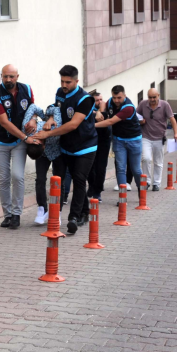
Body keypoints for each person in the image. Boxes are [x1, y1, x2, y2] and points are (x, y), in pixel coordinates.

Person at [32, 65, 97, 235]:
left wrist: (48, 134)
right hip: (66, 146)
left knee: (79, 179)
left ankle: (73, 218)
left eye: (68, 82)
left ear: (76, 81)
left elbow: (73, 124)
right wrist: (51, 118)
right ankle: (84, 211)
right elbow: (55, 109)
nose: (64, 84)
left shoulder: (85, 99)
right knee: (73, 178)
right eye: (62, 81)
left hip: (85, 146)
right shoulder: (60, 92)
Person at [0, 65, 36, 229]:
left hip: (18, 143)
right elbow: (4, 122)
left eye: (11, 77)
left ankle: (16, 214)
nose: (8, 80)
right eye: (5, 76)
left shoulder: (27, 90)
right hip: (0, 142)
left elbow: (32, 109)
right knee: (4, 179)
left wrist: (34, 120)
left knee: (18, 176)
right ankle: (7, 215)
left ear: (17, 76)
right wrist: (25, 137)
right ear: (1, 76)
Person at [18, 103, 64, 225]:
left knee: (59, 181)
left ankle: (57, 212)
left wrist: (48, 119)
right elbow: (32, 107)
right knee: (40, 180)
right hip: (42, 156)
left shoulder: (54, 131)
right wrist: (33, 118)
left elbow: (56, 109)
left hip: (57, 152)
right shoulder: (27, 130)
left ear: (43, 146)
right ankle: (42, 209)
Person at [95, 85, 142, 196]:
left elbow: (110, 122)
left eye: (119, 98)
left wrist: (92, 125)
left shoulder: (128, 107)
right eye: (114, 97)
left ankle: (142, 190)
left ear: (124, 95)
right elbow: (103, 104)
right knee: (120, 169)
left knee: (136, 169)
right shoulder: (111, 101)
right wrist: (99, 112)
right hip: (119, 140)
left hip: (133, 141)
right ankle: (122, 197)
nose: (116, 100)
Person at [137, 88, 177, 191]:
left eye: (154, 97)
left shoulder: (165, 105)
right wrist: (140, 121)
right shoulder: (143, 104)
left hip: (159, 138)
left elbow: (172, 119)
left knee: (158, 162)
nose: (152, 99)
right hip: (145, 137)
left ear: (158, 95)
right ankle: (147, 181)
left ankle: (156, 183)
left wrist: (176, 133)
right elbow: (136, 115)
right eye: (150, 97)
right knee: (146, 159)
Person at [86, 91, 111, 203]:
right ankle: (92, 186)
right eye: (97, 100)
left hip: (103, 141)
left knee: (101, 167)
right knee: (90, 168)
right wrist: (98, 111)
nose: (100, 102)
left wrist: (100, 111)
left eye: (101, 100)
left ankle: (97, 192)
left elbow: (105, 119)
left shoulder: (106, 110)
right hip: (90, 141)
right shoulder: (87, 110)